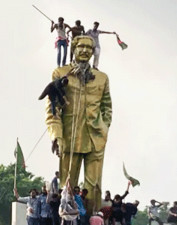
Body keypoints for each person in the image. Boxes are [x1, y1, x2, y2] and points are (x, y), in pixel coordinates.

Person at [46, 35, 112, 213]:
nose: (84, 50)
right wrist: (56, 135)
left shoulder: (102, 78)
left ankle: (91, 218)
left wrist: (104, 127)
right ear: (73, 49)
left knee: (94, 185)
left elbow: (107, 107)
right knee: (68, 184)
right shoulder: (60, 73)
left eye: (89, 48)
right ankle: (67, 218)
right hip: (69, 136)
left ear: (93, 52)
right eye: (80, 47)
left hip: (95, 137)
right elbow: (53, 109)